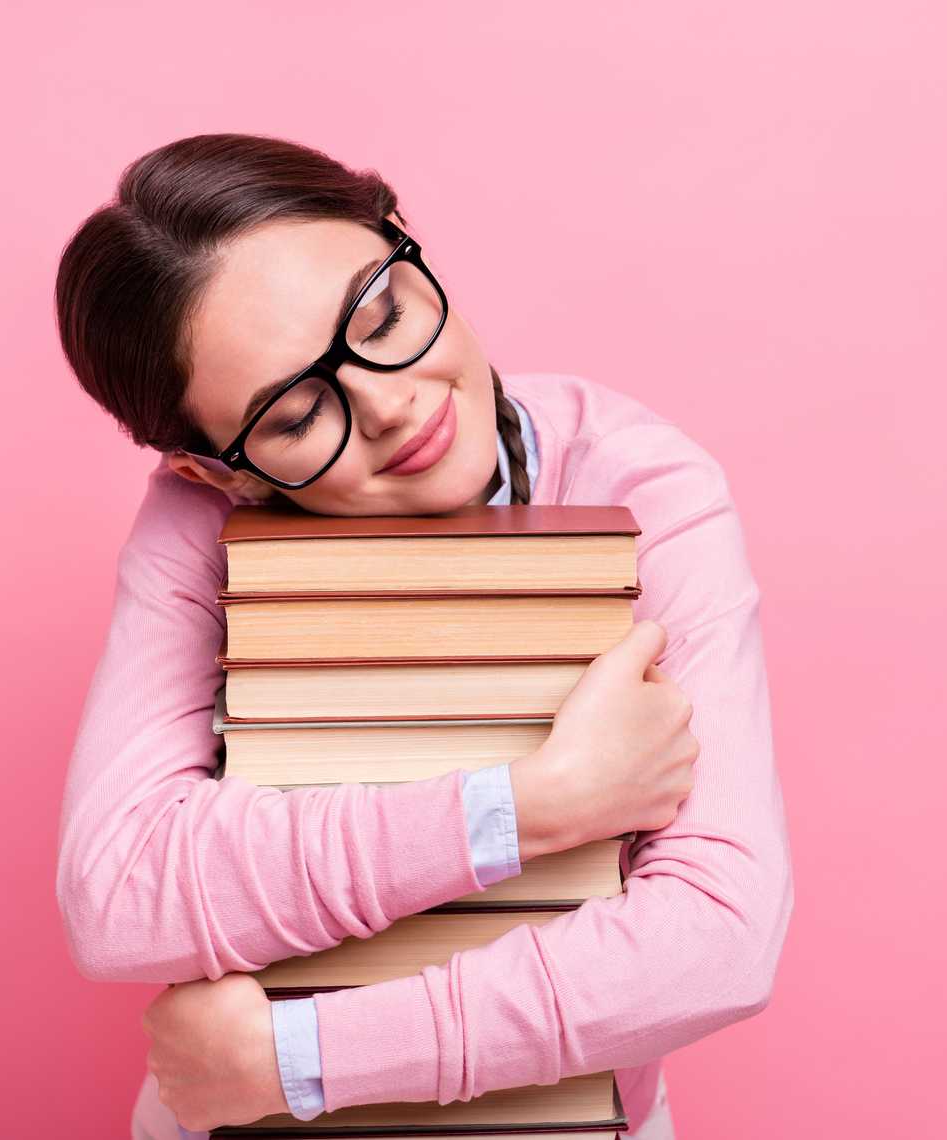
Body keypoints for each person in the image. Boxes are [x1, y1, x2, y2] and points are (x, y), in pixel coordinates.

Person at [53, 133, 793, 1140]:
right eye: (296, 411)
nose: (392, 403)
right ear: (215, 472)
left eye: (383, 312)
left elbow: (721, 936)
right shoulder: (199, 528)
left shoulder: (637, 482)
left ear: (406, 239)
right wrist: (529, 810)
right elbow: (118, 896)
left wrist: (299, 1061)